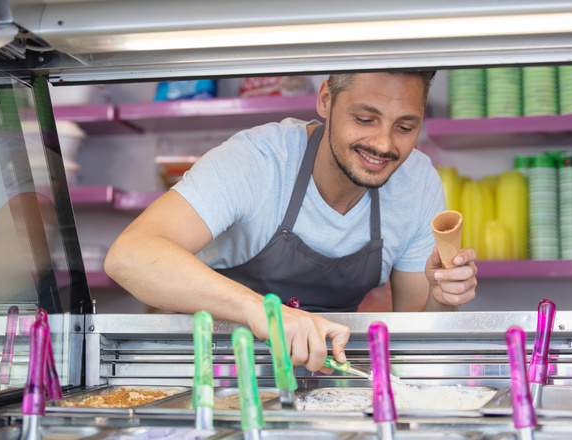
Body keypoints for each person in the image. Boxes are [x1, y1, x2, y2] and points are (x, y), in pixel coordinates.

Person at [105, 71, 478, 373]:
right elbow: (130, 255)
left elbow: (411, 330)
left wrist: (443, 301)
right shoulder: (258, 161)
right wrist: (265, 313)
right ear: (326, 100)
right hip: (203, 370)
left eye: (404, 128)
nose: (383, 144)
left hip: (323, 374)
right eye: (365, 119)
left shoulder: (417, 181)